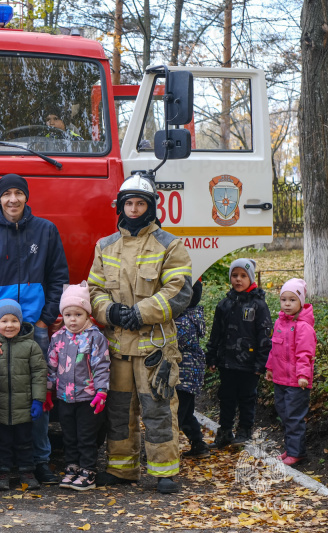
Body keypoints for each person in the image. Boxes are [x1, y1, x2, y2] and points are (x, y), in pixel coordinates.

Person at [0, 173, 69, 485]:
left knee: (37, 395)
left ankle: (39, 461)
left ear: (26, 197)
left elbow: (59, 276)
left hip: (34, 329)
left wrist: (45, 319)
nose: (12, 199)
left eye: (18, 193)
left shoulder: (46, 231)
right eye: (6, 193)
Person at [87, 174, 192, 494]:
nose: (133, 209)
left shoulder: (169, 244)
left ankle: (165, 471)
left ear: (150, 207)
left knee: (158, 408)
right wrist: (110, 311)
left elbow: (180, 290)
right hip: (118, 347)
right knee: (119, 412)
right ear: (120, 207)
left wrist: (140, 313)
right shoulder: (105, 246)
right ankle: (121, 469)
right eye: (128, 203)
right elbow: (94, 289)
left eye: (140, 203)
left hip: (154, 348)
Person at [48, 282, 110, 491]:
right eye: (68, 315)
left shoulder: (95, 338)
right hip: (65, 398)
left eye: (78, 314)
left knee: (86, 436)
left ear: (87, 315)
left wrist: (101, 391)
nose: (72, 320)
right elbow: (52, 365)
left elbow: (101, 365)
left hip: (88, 398)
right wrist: (48, 390)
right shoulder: (58, 338)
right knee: (69, 435)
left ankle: (88, 471)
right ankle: (72, 467)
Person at [0, 298, 47, 491]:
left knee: (25, 442)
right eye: (4, 321)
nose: (9, 325)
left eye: (14, 321)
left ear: (21, 322)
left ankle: (27, 472)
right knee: (1, 443)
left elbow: (39, 374)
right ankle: (2, 473)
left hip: (24, 407)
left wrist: (38, 400)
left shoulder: (31, 346)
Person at [205, 258, 272, 450]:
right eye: (234, 275)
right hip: (227, 362)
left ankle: (244, 431)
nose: (238, 280)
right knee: (226, 397)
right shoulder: (224, 304)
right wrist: (212, 356)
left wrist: (261, 363)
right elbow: (216, 333)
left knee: (247, 397)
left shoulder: (258, 305)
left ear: (250, 278)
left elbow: (264, 335)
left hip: (249, 365)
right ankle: (225, 431)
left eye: (243, 276)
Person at [266, 278, 315, 466]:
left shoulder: (304, 327)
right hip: (280, 379)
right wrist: (270, 368)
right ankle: (290, 448)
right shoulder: (279, 323)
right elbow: (274, 349)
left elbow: (305, 353)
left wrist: (303, 375)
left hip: (296, 382)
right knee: (284, 414)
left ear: (301, 302)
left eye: (292, 300)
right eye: (283, 299)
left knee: (294, 416)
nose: (287, 304)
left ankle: (297, 452)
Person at [175, 281, 209, 459]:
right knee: (186, 413)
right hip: (189, 375)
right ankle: (199, 444)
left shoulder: (183, 320)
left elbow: (175, 342)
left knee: (177, 414)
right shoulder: (190, 316)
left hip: (184, 375)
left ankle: (166, 449)